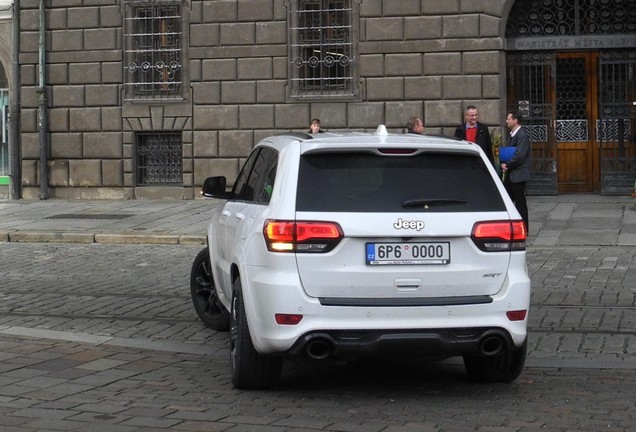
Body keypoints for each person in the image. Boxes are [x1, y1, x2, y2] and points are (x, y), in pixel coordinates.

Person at [501, 109, 531, 232]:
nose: (506, 121)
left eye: (508, 118)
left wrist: (507, 165)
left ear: (515, 120)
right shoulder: (512, 134)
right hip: (511, 174)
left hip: (518, 174)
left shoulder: (522, 135)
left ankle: (524, 228)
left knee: (520, 203)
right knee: (507, 201)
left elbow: (520, 155)